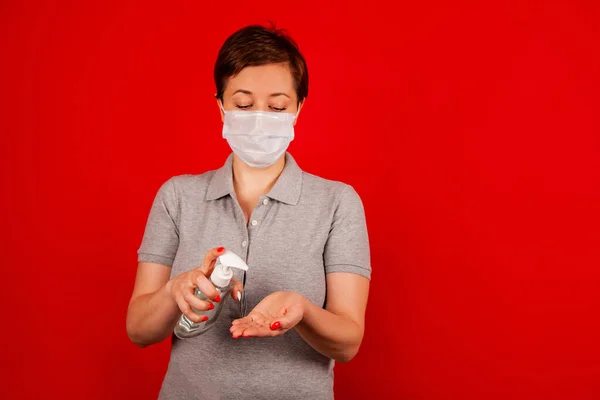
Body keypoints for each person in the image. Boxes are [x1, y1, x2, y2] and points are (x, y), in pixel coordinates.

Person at [126, 23, 371, 400]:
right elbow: (139, 331)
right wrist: (175, 291)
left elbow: (348, 343)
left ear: (298, 109)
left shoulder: (338, 203)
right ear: (220, 106)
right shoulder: (177, 197)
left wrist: (301, 311)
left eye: (276, 106)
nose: (259, 117)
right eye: (243, 104)